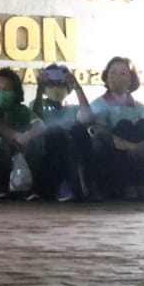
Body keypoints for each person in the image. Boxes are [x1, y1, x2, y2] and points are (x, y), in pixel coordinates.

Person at [88, 56, 144, 200]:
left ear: (131, 79)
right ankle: (125, 186)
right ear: (106, 77)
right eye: (112, 73)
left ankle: (140, 184)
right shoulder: (98, 104)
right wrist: (129, 146)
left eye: (123, 73)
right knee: (124, 125)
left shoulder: (140, 107)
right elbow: (101, 133)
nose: (117, 77)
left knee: (143, 126)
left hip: (139, 152)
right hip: (111, 153)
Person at [28, 64, 95, 201]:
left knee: (78, 131)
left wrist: (77, 86)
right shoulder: (38, 104)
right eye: (51, 84)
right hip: (47, 155)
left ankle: (82, 183)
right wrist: (40, 88)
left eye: (60, 84)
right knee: (56, 132)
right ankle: (64, 185)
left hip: (72, 154)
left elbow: (87, 117)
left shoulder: (74, 109)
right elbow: (36, 117)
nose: (55, 88)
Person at [0, 67, 44, 199]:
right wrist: (15, 136)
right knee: (2, 142)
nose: (1, 93)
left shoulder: (22, 110)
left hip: (21, 150)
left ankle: (27, 188)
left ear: (16, 92)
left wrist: (28, 136)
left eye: (6, 90)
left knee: (36, 143)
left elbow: (39, 124)